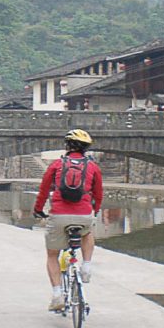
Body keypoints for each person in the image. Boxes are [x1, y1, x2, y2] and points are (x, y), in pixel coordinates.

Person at [32, 129, 103, 312]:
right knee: (87, 233)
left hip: (59, 214)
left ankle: (57, 295)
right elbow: (98, 194)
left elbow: (43, 190)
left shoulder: (56, 165)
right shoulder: (93, 167)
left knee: (52, 255)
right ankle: (86, 265)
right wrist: (93, 211)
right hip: (84, 213)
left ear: (67, 146)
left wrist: (38, 210)